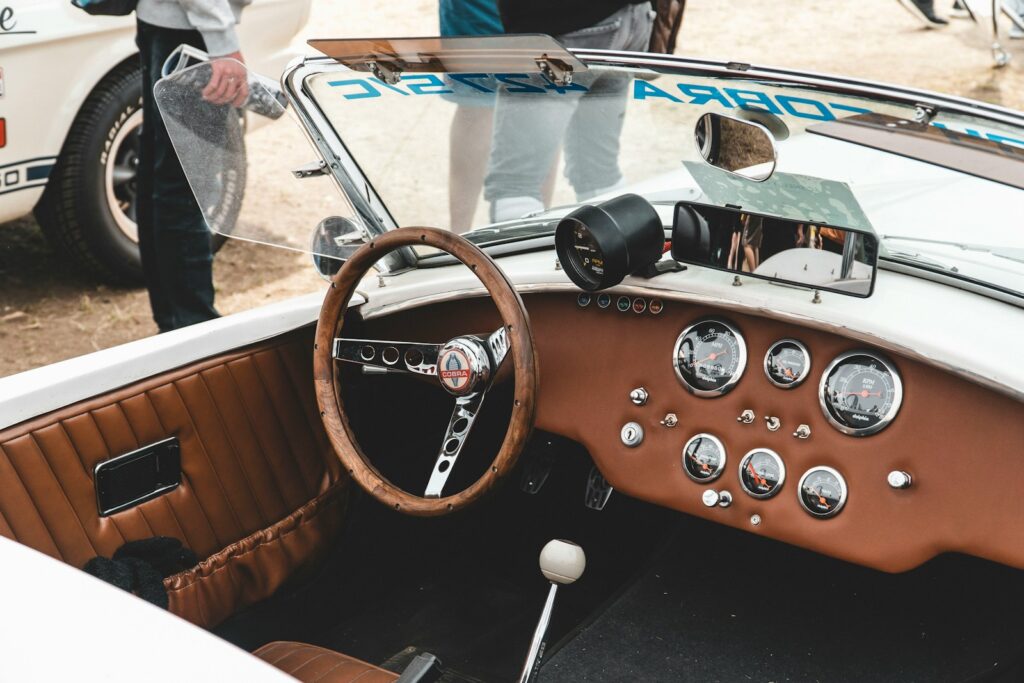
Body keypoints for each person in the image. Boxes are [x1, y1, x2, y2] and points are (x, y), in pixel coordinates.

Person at [483, 1, 655, 223]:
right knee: (598, 171)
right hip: (629, 19)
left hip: (564, 27)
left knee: (515, 187)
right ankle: (619, 250)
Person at [135, 0, 250, 332]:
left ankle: (176, 323)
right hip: (190, 27)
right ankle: (193, 328)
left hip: (169, 22)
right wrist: (222, 42)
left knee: (163, 174)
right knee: (185, 180)